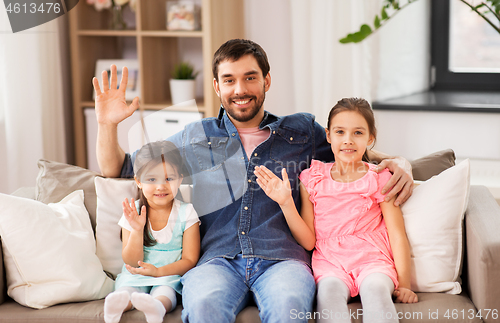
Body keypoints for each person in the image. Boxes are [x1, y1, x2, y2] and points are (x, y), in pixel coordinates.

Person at [93, 39, 414, 322]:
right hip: (217, 260)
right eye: (229, 80)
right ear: (217, 87)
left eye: (250, 78)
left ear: (267, 81)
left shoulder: (301, 132)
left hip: (283, 260)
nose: (240, 89)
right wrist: (107, 125)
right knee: (203, 306)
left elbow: (351, 150)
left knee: (290, 307)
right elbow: (121, 167)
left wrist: (399, 164)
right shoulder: (196, 136)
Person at [254, 97, 418, 323]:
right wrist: (285, 203)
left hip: (373, 260)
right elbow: (309, 241)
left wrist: (405, 284)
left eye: (358, 133)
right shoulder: (312, 178)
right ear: (328, 135)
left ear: (370, 138)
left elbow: (397, 234)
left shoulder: (380, 177)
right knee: (328, 297)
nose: (348, 140)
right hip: (331, 263)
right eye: (340, 132)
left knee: (376, 290)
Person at [103, 141, 200, 323]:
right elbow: (131, 260)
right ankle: (117, 307)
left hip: (167, 275)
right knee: (127, 291)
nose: (161, 186)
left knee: (165, 292)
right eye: (152, 179)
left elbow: (190, 260)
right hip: (136, 275)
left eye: (169, 179)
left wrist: (158, 272)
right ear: (138, 181)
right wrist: (138, 230)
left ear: (179, 180)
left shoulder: (187, 212)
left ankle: (156, 308)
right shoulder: (133, 212)